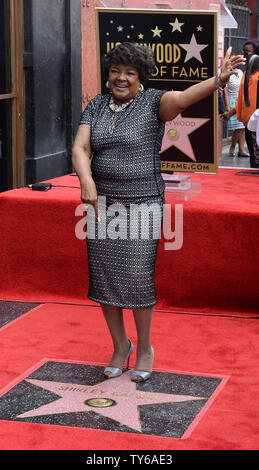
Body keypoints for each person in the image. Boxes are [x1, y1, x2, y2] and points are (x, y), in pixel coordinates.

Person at [72, 42, 245, 382]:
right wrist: (86, 182)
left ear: (141, 78)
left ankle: (146, 348)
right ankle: (121, 346)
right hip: (101, 203)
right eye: (115, 72)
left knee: (137, 277)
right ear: (108, 75)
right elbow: (80, 147)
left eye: (129, 73)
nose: (121, 78)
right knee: (104, 277)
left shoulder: (154, 103)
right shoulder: (95, 106)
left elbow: (182, 99)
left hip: (143, 201)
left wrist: (217, 81)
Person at [220, 38, 259, 167]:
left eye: (247, 53)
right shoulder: (247, 73)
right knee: (254, 162)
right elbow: (242, 100)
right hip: (249, 126)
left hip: (256, 128)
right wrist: (230, 113)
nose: (243, 56)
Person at [222, 66, 247, 157]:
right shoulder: (226, 73)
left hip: (241, 102)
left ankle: (241, 150)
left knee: (243, 127)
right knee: (238, 127)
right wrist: (227, 106)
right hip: (233, 103)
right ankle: (232, 148)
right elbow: (225, 90)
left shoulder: (240, 72)